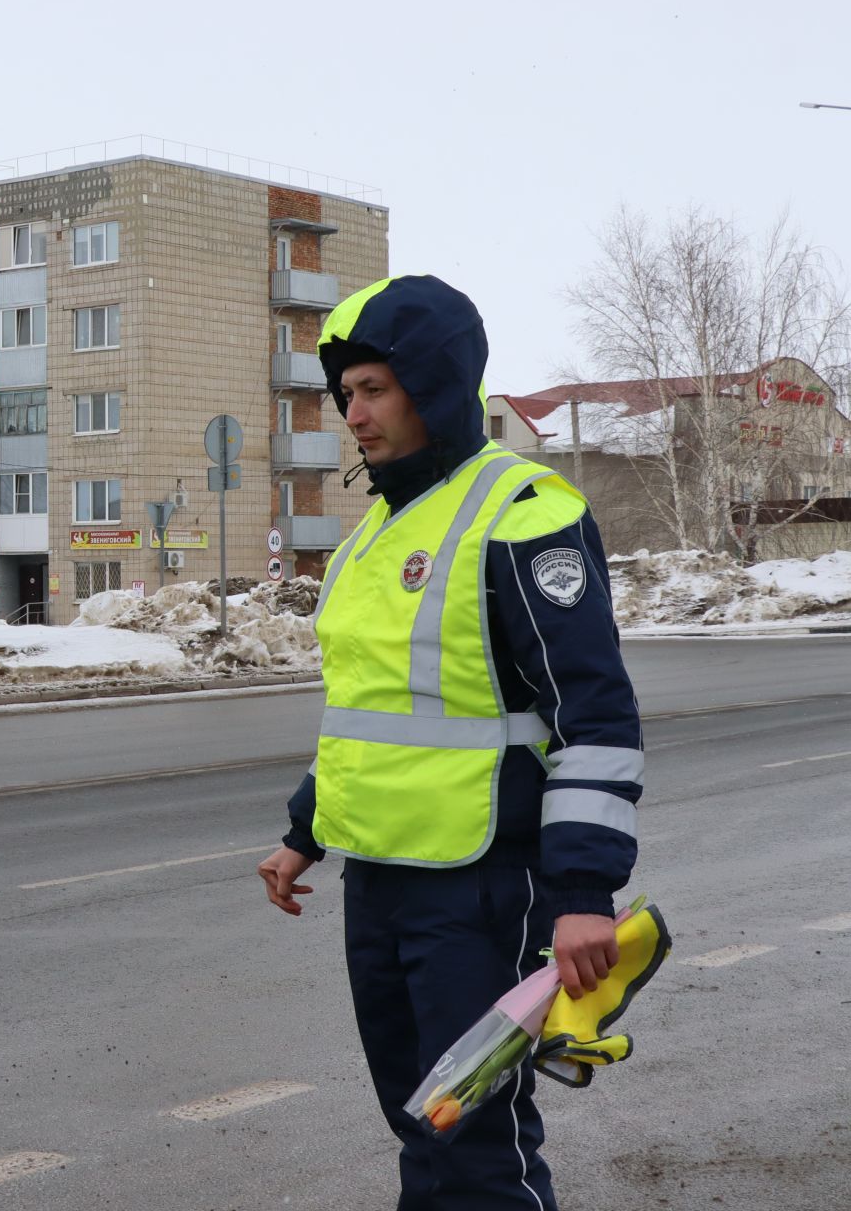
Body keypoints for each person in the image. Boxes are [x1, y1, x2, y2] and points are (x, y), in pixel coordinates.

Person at [256, 275, 643, 1211]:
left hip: (478, 887)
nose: (354, 413)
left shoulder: (521, 513)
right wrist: (306, 831)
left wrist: (586, 893)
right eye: (345, 394)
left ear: (432, 384)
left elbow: (595, 719)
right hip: (380, 877)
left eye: (374, 388)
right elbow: (375, 705)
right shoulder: (379, 530)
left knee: (477, 1146)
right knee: (421, 1124)